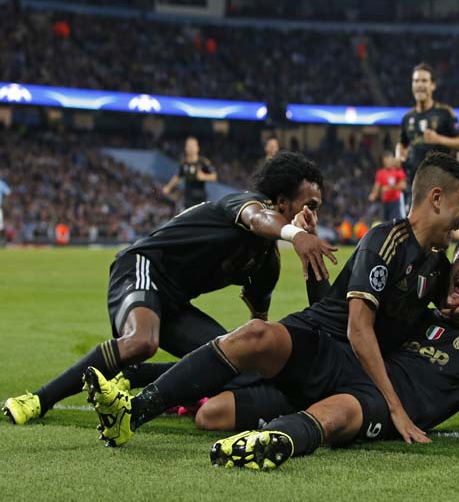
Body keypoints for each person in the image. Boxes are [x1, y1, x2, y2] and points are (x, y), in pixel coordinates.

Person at [85, 152, 459, 447]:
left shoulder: (437, 267)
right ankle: (133, 410)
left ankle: (148, 384)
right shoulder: (385, 240)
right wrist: (396, 408)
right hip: (322, 348)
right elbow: (357, 327)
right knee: (235, 371)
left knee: (228, 399)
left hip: (352, 375)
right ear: (436, 198)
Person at [3, 151, 338, 425]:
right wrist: (298, 236)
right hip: (142, 266)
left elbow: (257, 330)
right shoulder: (248, 205)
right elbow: (257, 220)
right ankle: (38, 399)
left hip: (173, 301)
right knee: (142, 341)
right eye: (309, 205)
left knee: (229, 363)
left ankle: (135, 377)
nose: (313, 214)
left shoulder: (266, 265)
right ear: (281, 202)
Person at [204, 235, 459, 470]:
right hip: (346, 374)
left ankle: (269, 441)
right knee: (212, 415)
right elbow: (340, 318)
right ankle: (176, 391)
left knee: (337, 415)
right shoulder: (417, 312)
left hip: (382, 405)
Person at [396, 64, 459, 189]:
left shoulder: (445, 113)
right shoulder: (407, 118)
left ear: (433, 85)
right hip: (414, 186)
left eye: (424, 81)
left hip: (440, 184)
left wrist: (438, 139)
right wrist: (399, 155)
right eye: (416, 81)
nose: (419, 85)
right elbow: (402, 143)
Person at [162, 136, 217, 208]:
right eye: (188, 146)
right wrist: (168, 187)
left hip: (200, 197)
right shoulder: (184, 163)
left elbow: (214, 176)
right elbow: (178, 176)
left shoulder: (203, 162)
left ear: (197, 148)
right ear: (185, 148)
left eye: (192, 146)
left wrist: (204, 176)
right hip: (187, 197)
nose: (191, 148)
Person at [368, 151, 406, 221]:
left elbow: (403, 186)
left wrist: (390, 188)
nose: (388, 162)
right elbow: (377, 187)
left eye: (389, 160)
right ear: (383, 161)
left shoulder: (397, 170)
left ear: (392, 160)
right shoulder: (380, 173)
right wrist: (374, 194)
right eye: (386, 160)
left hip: (396, 202)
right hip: (385, 203)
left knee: (397, 222)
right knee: (386, 224)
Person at [0, 176, 10, 245]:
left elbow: (8, 193)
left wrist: (4, 204)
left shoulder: (1, 183)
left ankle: (2, 241)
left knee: (0, 226)